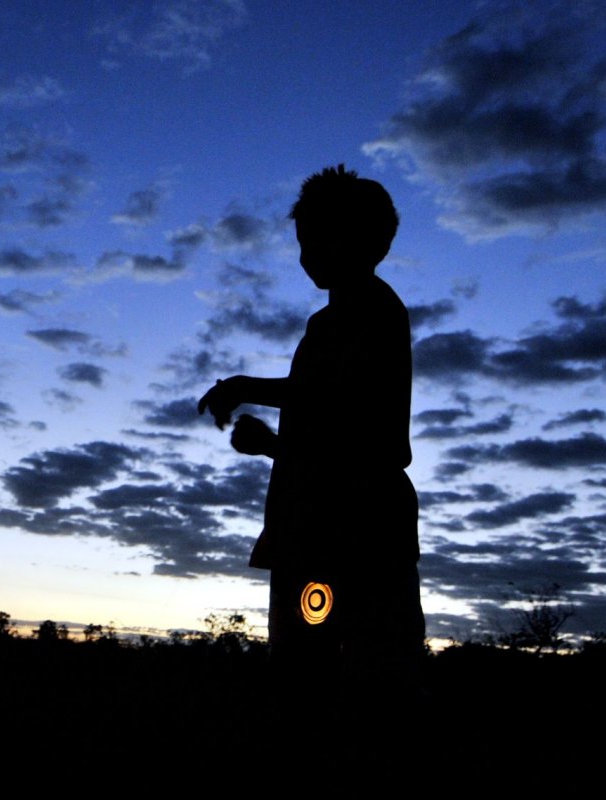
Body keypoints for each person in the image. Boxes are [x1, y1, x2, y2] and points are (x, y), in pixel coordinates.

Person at [198, 165, 424, 723]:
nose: (306, 256)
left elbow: (333, 406)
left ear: (365, 243)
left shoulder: (369, 312)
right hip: (338, 527)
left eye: (319, 241)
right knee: (328, 674)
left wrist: (243, 387)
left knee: (326, 680)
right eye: (303, 243)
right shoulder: (341, 320)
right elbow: (339, 433)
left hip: (345, 532)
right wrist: (273, 445)